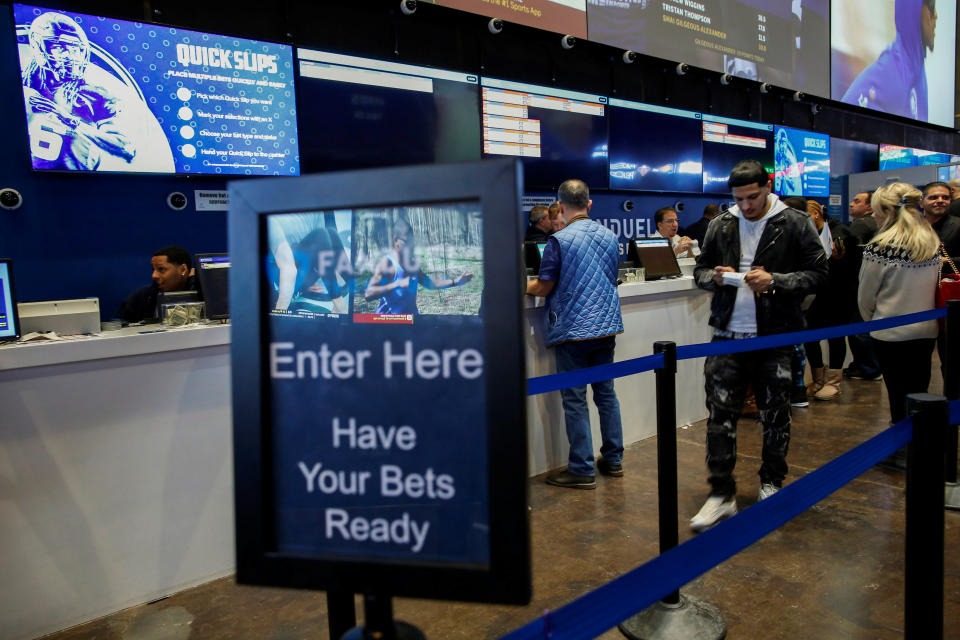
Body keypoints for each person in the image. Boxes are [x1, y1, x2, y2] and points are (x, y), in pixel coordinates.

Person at [690, 160, 827, 531]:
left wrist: (777, 281)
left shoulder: (795, 222)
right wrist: (713, 278)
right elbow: (700, 270)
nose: (746, 206)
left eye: (753, 197)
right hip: (727, 336)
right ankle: (721, 494)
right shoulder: (721, 223)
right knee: (719, 418)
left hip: (776, 336)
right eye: (739, 199)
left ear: (767, 186)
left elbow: (819, 274)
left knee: (776, 415)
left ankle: (771, 484)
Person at [526, 179, 624, 490]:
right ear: (589, 204)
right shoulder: (610, 236)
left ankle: (582, 468)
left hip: (573, 330)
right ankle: (613, 459)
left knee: (575, 400)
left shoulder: (559, 241)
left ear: (562, 206)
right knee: (606, 394)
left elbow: (543, 287)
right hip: (606, 327)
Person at [859, 182, 940, 470]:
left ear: (886, 211)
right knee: (919, 388)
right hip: (926, 329)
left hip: (889, 332)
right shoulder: (931, 242)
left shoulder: (879, 248)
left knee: (896, 394)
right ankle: (919, 446)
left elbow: (866, 296)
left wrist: (871, 322)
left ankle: (901, 452)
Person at [21, 11, 135, 170]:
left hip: (81, 187)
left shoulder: (91, 95)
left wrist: (70, 121)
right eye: (60, 48)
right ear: (40, 47)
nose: (70, 56)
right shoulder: (21, 88)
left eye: (75, 49)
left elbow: (125, 148)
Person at [840, 0, 937, 123]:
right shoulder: (891, 71)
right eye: (931, 7)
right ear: (914, 10)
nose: (936, 15)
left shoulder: (918, 70)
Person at [365, 217, 472, 315]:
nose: (410, 245)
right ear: (395, 240)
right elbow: (369, 294)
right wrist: (397, 284)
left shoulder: (411, 264)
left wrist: (455, 282)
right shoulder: (387, 263)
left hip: (409, 322)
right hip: (387, 325)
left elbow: (429, 283)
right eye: (406, 241)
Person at [844, 191, 883, 381]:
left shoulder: (861, 225)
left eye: (857, 201)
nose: (851, 204)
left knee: (860, 329)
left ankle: (868, 368)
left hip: (859, 285)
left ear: (869, 207)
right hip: (873, 286)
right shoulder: (873, 225)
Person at [116, 246, 195, 323]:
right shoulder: (142, 296)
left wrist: (193, 282)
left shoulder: (203, 293)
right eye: (153, 269)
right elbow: (117, 324)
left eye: (161, 269)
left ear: (183, 269)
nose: (154, 275)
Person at [923, 181, 960, 259]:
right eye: (933, 198)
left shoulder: (958, 226)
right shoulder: (912, 226)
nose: (940, 200)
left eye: (945, 198)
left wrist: (946, 261)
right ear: (921, 202)